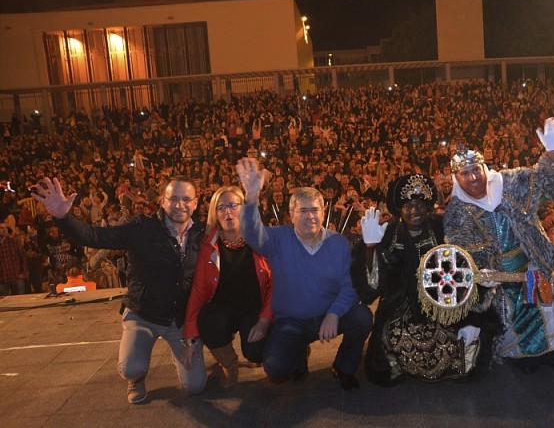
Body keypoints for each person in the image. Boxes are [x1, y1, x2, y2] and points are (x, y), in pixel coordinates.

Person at [31, 176, 207, 403]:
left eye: (186, 199)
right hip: (143, 313)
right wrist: (63, 217)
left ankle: (179, 356)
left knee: (195, 386)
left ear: (195, 202)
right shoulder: (141, 227)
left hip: (179, 319)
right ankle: (136, 378)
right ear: (162, 201)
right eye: (173, 198)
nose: (179, 205)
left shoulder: (201, 234)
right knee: (131, 368)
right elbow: (95, 236)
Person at [443, 118, 554, 372]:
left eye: (477, 170)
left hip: (531, 264)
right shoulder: (456, 211)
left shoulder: (511, 183)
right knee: (503, 328)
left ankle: (548, 357)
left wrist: (552, 153)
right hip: (495, 281)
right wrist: (480, 274)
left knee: (546, 310)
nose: (473, 177)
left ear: (485, 168)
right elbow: (459, 252)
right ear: (456, 178)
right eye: (465, 173)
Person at [235, 157, 372, 392]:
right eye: (303, 211)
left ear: (323, 212)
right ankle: (299, 354)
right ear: (291, 214)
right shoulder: (277, 239)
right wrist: (251, 197)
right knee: (276, 369)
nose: (310, 216)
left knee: (362, 317)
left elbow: (350, 285)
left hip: (328, 314)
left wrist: (334, 313)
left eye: (315, 210)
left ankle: (344, 367)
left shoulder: (338, 243)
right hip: (292, 321)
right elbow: (250, 232)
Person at [351, 174, 499, 387]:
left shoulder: (443, 230)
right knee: (396, 336)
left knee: (459, 335)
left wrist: (478, 283)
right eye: (408, 204)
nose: (414, 210)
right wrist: (371, 248)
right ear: (399, 209)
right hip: (400, 303)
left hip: (443, 298)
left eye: (420, 204)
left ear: (429, 206)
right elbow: (371, 290)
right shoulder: (387, 234)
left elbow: (464, 266)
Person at [182, 186, 273, 389]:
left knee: (255, 352)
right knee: (206, 319)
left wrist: (264, 322)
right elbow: (198, 292)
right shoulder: (208, 245)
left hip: (254, 309)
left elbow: (274, 287)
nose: (227, 211)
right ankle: (229, 364)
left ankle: (288, 349)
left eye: (233, 205)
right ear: (215, 212)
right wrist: (188, 337)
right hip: (223, 309)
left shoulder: (262, 240)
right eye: (221, 207)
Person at [0, 222, 27, 295]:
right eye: (1, 228)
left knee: (20, 301)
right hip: (2, 278)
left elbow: (23, 257)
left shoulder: (14, 241)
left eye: (5, 228)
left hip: (16, 276)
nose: (4, 229)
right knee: (3, 303)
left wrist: (23, 272)